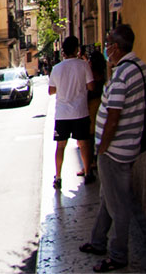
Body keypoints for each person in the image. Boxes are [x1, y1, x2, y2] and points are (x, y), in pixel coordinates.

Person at [79, 24, 146, 273]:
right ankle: (98, 240)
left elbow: (113, 117)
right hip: (127, 146)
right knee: (107, 198)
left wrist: (102, 147)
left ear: (116, 47)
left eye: (108, 43)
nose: (106, 48)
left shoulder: (121, 76)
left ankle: (118, 255)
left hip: (115, 151)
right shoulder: (138, 67)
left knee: (118, 205)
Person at [48, 35, 95, 189]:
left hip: (62, 114)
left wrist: (63, 87)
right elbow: (91, 87)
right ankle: (88, 173)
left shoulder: (56, 68)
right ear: (76, 49)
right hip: (80, 111)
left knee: (60, 146)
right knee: (83, 143)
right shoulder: (83, 65)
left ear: (63, 51)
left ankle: (58, 177)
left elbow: (51, 91)